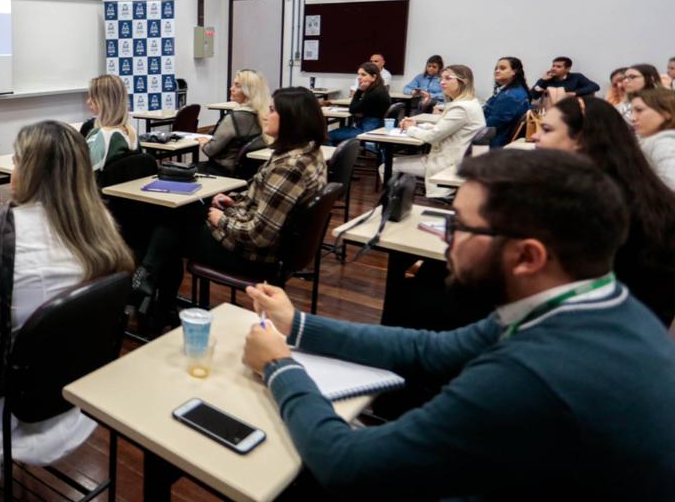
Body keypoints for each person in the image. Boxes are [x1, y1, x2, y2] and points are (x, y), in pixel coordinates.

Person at [240, 149, 675, 500]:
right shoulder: (594, 303)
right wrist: (297, 324)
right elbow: (429, 350)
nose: (446, 238)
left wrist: (280, 367)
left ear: (527, 257)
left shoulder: (533, 374)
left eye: (461, 226)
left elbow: (347, 466)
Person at [0, 121, 134, 501]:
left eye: (17, 160)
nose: (12, 168)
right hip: (76, 388)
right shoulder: (101, 232)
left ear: (28, 171)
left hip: (10, 402)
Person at [133, 88, 326, 317]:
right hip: (270, 246)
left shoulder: (289, 168)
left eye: (272, 110)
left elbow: (259, 236)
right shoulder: (308, 154)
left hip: (253, 256)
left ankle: (150, 292)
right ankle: (152, 292)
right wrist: (233, 202)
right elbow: (263, 201)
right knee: (181, 214)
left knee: (169, 227)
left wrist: (220, 219)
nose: (265, 115)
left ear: (292, 119)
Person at [534, 96, 675, 325]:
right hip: (641, 321)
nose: (535, 136)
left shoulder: (593, 200)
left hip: (602, 326)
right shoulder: (634, 185)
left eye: (547, 130)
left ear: (581, 138)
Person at [396, 64, 487, 198]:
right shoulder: (470, 102)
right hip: (459, 159)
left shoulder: (461, 108)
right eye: (441, 79)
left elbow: (432, 136)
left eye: (448, 78)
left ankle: (396, 207)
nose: (442, 82)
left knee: (387, 167)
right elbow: (443, 128)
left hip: (448, 163)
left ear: (464, 81)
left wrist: (410, 129)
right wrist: (417, 125)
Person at [198, 69, 270, 176]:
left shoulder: (234, 118)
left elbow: (210, 150)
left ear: (248, 91)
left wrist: (203, 143)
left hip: (221, 172)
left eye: (237, 86)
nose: (231, 88)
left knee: (176, 171)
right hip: (247, 174)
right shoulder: (264, 115)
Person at [83, 74, 137, 171]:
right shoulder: (131, 131)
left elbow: (84, 172)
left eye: (92, 97)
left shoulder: (100, 135)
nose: (88, 102)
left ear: (104, 101)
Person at [329, 62, 390, 144]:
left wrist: (359, 91)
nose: (359, 77)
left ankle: (338, 152)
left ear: (374, 77)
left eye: (363, 75)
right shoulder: (379, 89)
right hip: (372, 128)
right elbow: (358, 109)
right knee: (337, 135)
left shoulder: (373, 93)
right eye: (359, 74)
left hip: (367, 131)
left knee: (327, 136)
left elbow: (352, 109)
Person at [631, 88, 675, 190]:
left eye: (639, 110)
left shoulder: (664, 143)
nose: (632, 118)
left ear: (667, 113)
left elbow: (671, 185)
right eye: (631, 111)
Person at [482, 56, 530, 147]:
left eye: (502, 68)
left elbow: (490, 125)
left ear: (514, 72)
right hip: (498, 138)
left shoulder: (510, 96)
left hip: (496, 143)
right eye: (496, 68)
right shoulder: (512, 91)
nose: (497, 71)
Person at [529, 56, 599, 100]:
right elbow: (533, 96)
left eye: (558, 67)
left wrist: (574, 93)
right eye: (553, 66)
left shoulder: (576, 77)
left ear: (568, 69)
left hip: (572, 109)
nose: (554, 68)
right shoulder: (547, 79)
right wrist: (542, 80)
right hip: (552, 110)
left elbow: (595, 86)